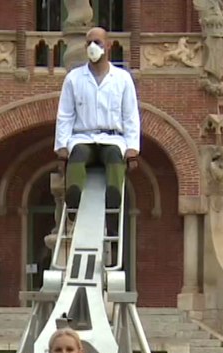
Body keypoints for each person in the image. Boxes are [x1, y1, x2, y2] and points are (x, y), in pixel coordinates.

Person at [55, 26, 142, 214]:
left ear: (108, 46)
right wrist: (62, 148)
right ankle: (73, 197)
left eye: (98, 42)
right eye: (89, 43)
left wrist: (132, 149)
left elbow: (130, 115)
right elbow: (65, 115)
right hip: (83, 138)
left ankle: (113, 199)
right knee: (77, 155)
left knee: (114, 157)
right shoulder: (74, 78)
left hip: (112, 138)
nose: (93, 47)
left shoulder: (122, 79)